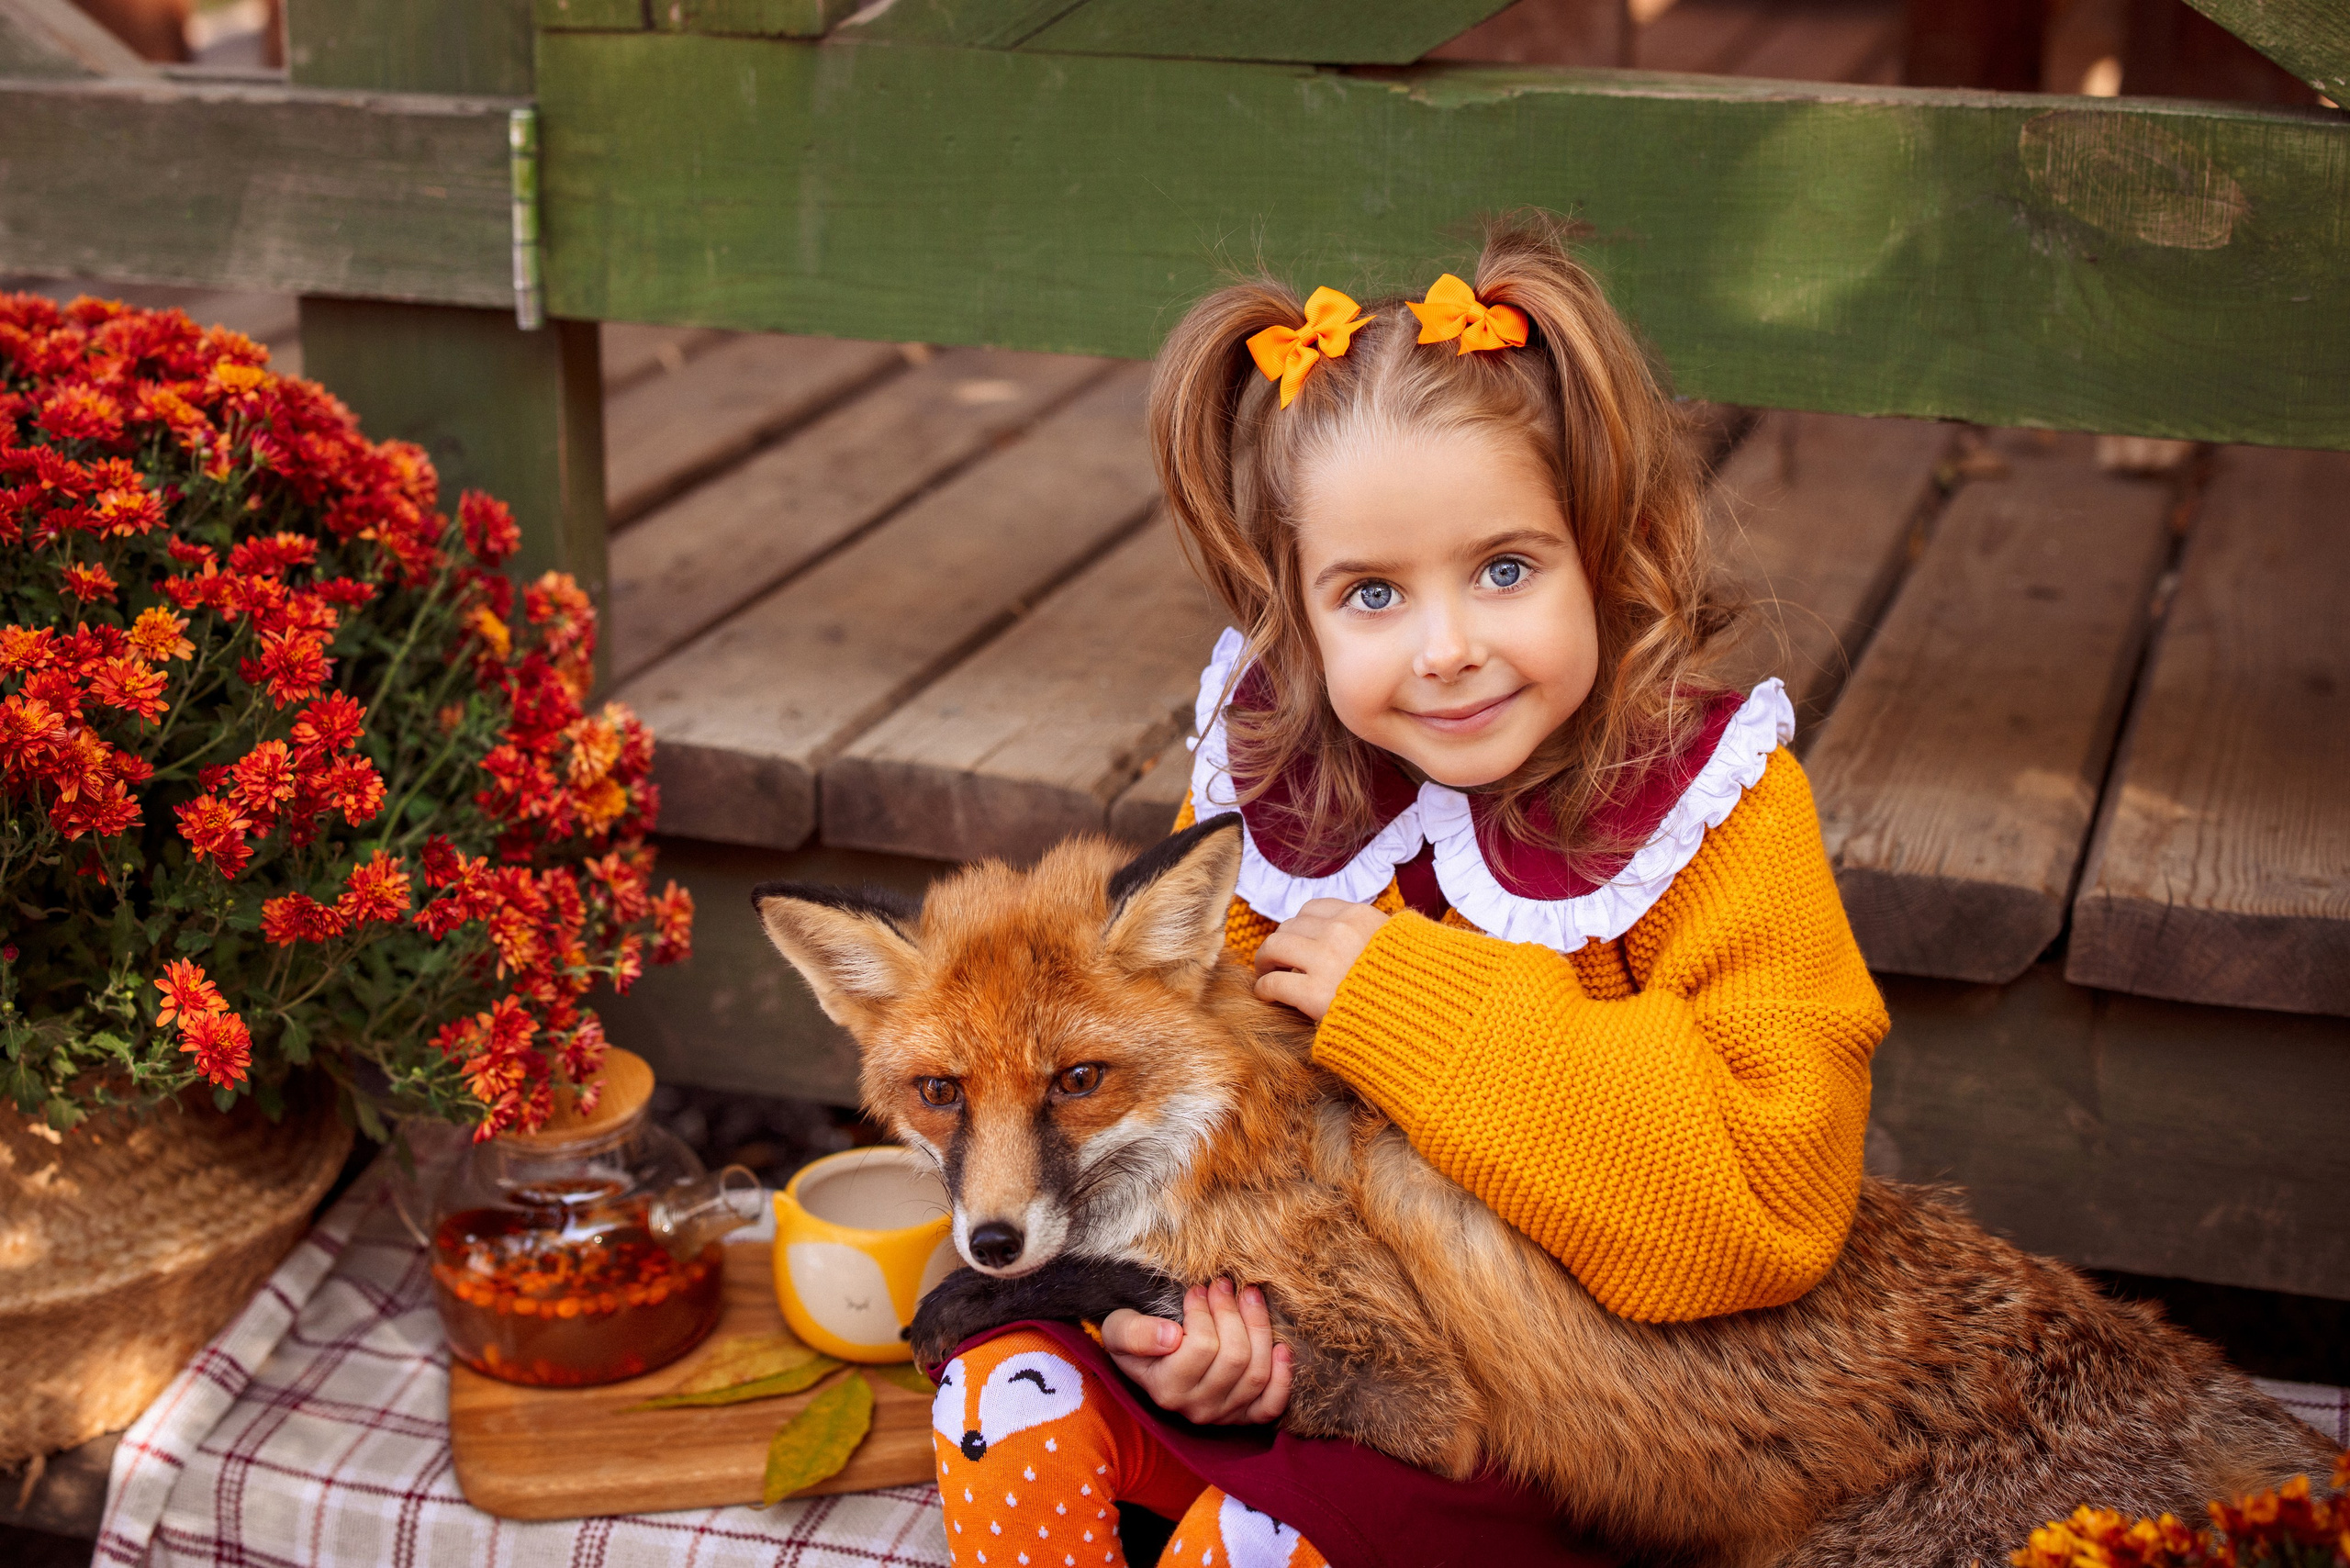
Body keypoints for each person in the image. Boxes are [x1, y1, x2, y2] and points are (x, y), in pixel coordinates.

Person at [929, 215, 1889, 1568]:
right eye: (1371, 594)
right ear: (1296, 611)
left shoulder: (1710, 812)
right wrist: (1208, 1340)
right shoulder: (1269, 795)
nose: (1446, 650)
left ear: (1603, 553)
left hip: (1552, 1409)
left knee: (1262, 1538)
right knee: (1003, 1385)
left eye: (1505, 570)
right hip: (1334, 1337)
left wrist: (1418, 1007)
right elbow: (1198, 1125)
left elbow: (1767, 1205)